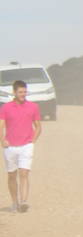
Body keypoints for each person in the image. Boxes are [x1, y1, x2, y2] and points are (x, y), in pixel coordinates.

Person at [0, 80, 42, 212]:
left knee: (24, 173)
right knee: (12, 175)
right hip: (10, 147)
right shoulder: (6, 107)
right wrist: (2, 140)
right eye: (20, 92)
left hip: (26, 146)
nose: (23, 94)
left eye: (25, 92)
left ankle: (24, 202)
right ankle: (14, 202)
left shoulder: (33, 106)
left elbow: (38, 126)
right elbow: (1, 125)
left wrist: (32, 140)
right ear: (14, 92)